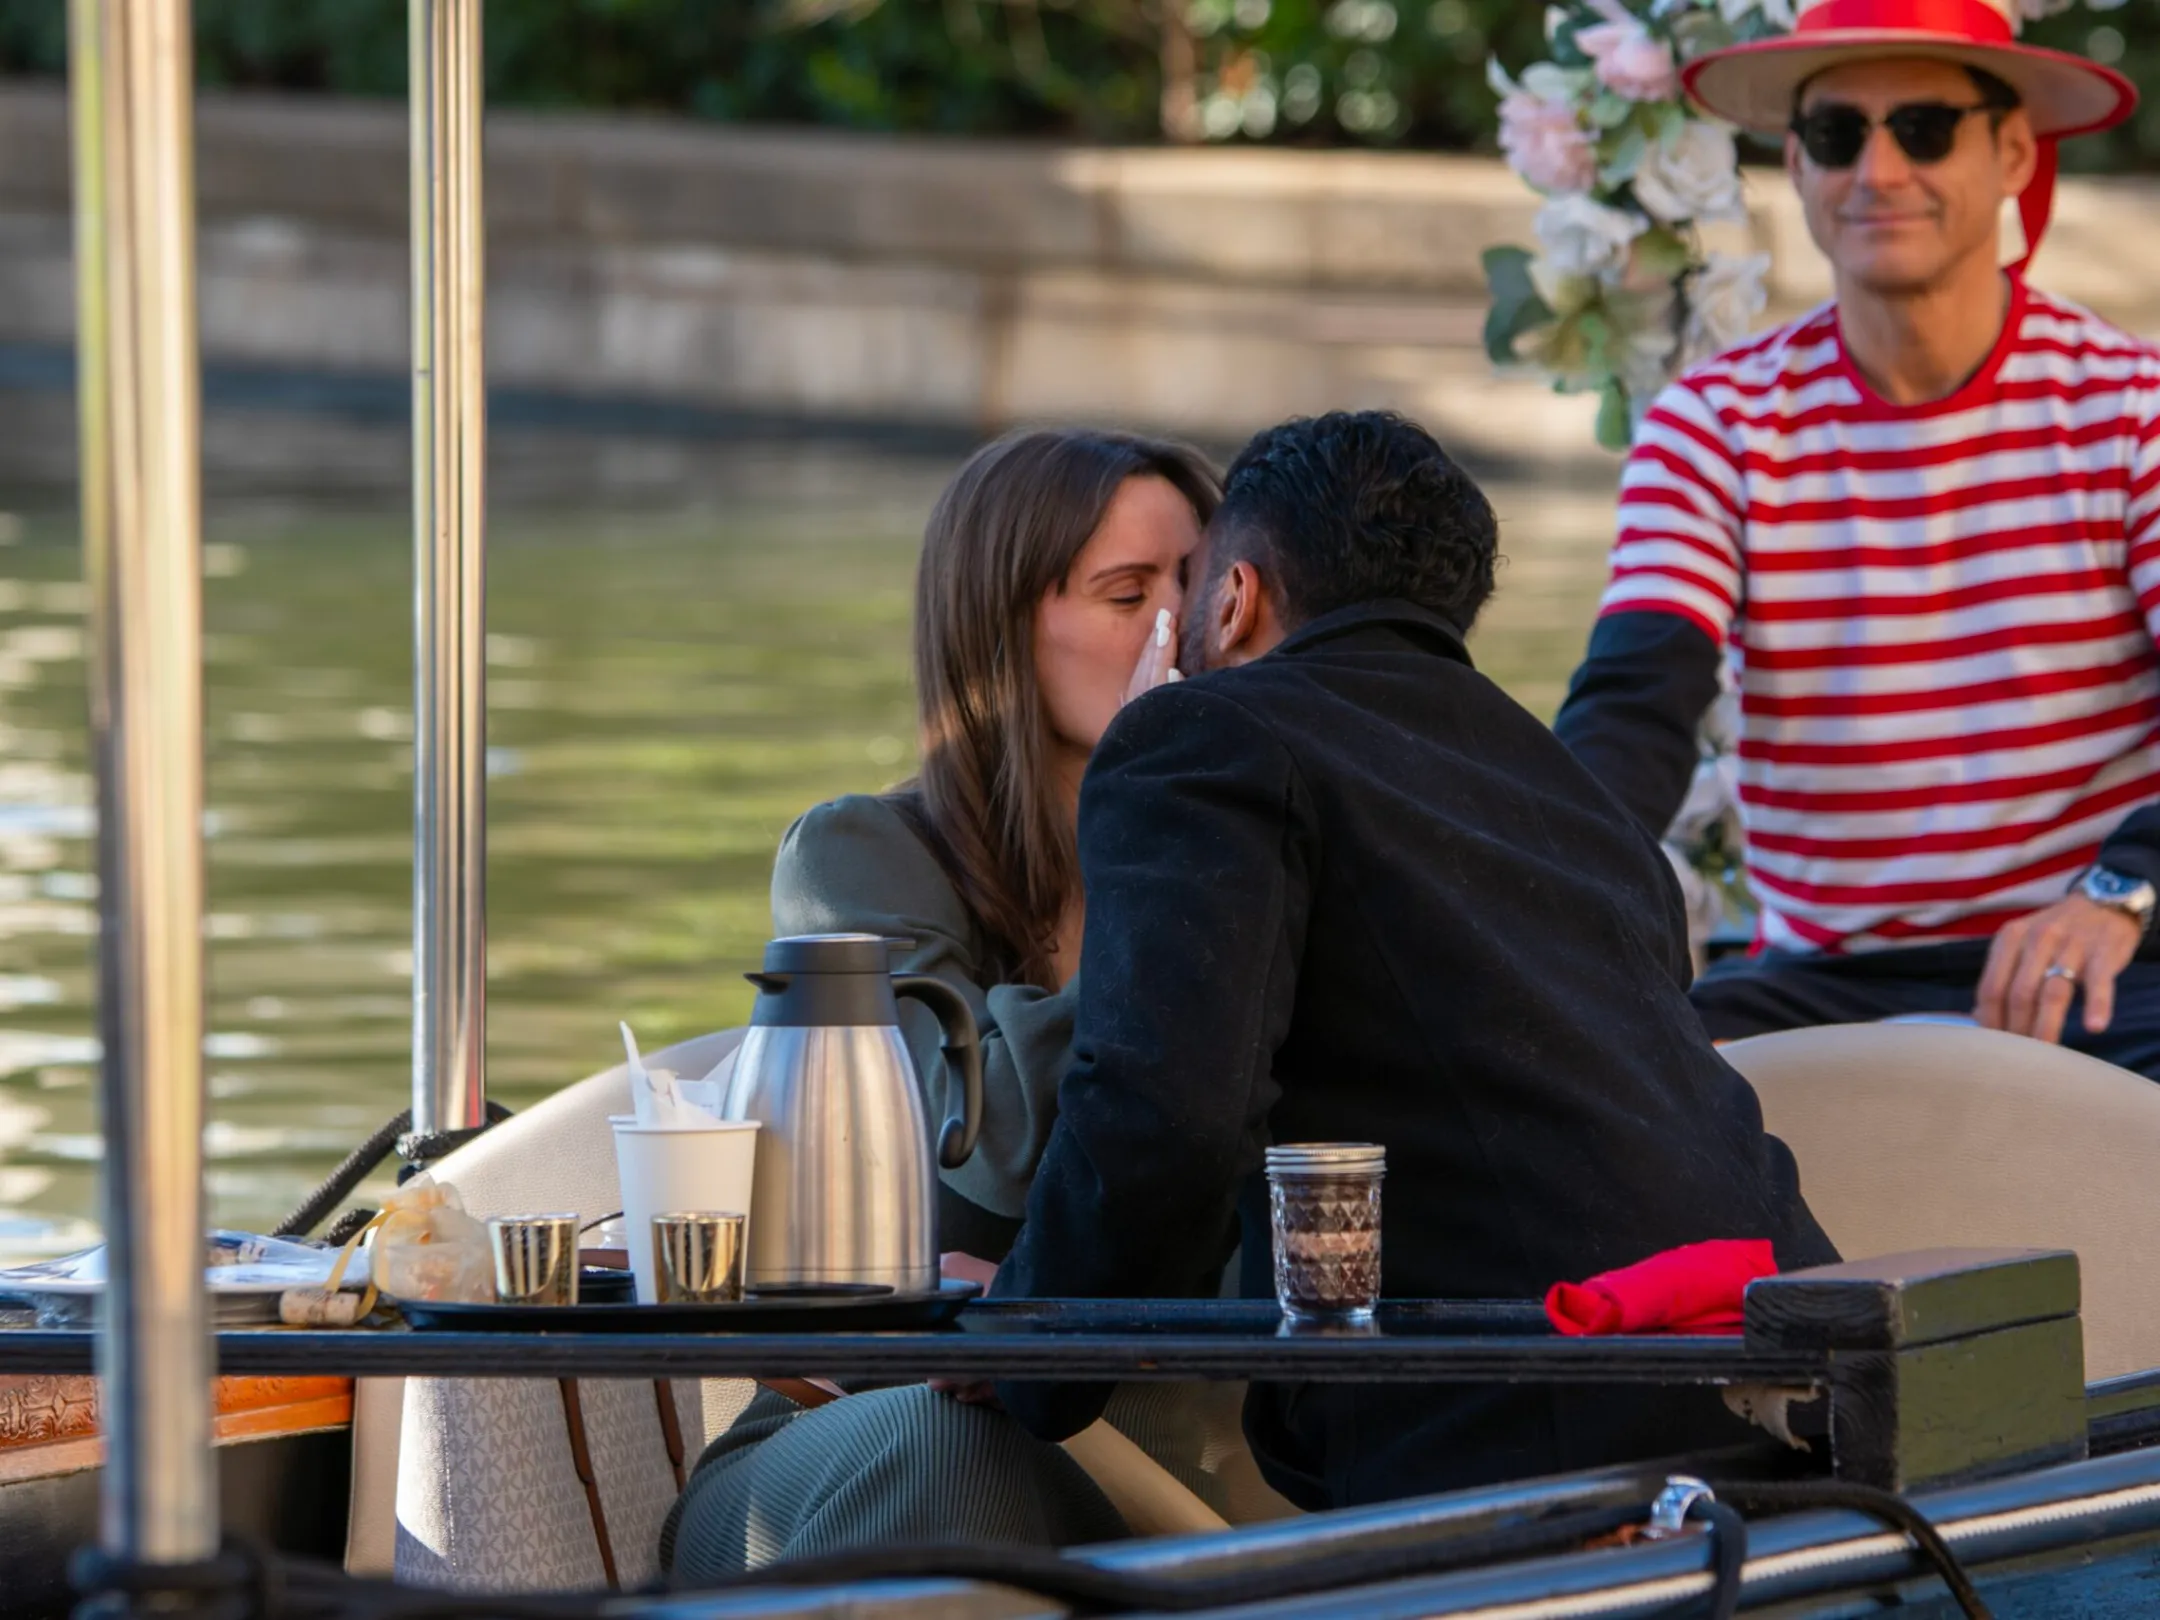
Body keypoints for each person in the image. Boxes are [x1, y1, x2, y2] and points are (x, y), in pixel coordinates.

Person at [987, 410, 1837, 1510]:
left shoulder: (1200, 735)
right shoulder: (1568, 787)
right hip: (1785, 1392)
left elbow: (1168, 1110)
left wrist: (1032, 1347)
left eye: (1188, 588)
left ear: (1237, 597)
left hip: (1518, 1429)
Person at [664, 426, 1264, 1581]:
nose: (1174, 631)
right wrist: (1159, 833)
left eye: (1200, 585)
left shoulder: (1266, 860)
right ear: (1000, 634)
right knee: (954, 1451)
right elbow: (990, 1145)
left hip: (1186, 1458)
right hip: (873, 1442)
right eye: (1127, 592)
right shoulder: (860, 859)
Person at [1551, 0, 2160, 1071]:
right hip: (1821, 987)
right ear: (1797, 163)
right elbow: (1635, 710)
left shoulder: (2133, 409)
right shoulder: (1712, 427)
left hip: (2105, 968)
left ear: (2013, 151)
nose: (1877, 172)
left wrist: (2114, 897)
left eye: (1924, 128)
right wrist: (1536, 903)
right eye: (1839, 135)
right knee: (1575, 1081)